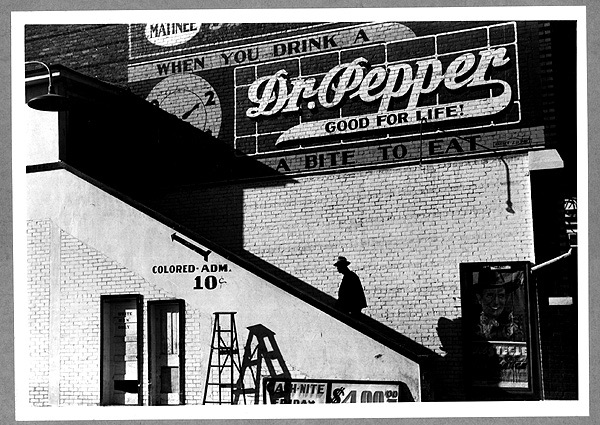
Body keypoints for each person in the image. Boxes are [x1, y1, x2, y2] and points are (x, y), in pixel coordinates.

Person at [473, 270, 524, 341]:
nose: (496, 302)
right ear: (479, 298)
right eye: (490, 295)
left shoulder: (511, 325)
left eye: (501, 295)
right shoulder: (473, 325)